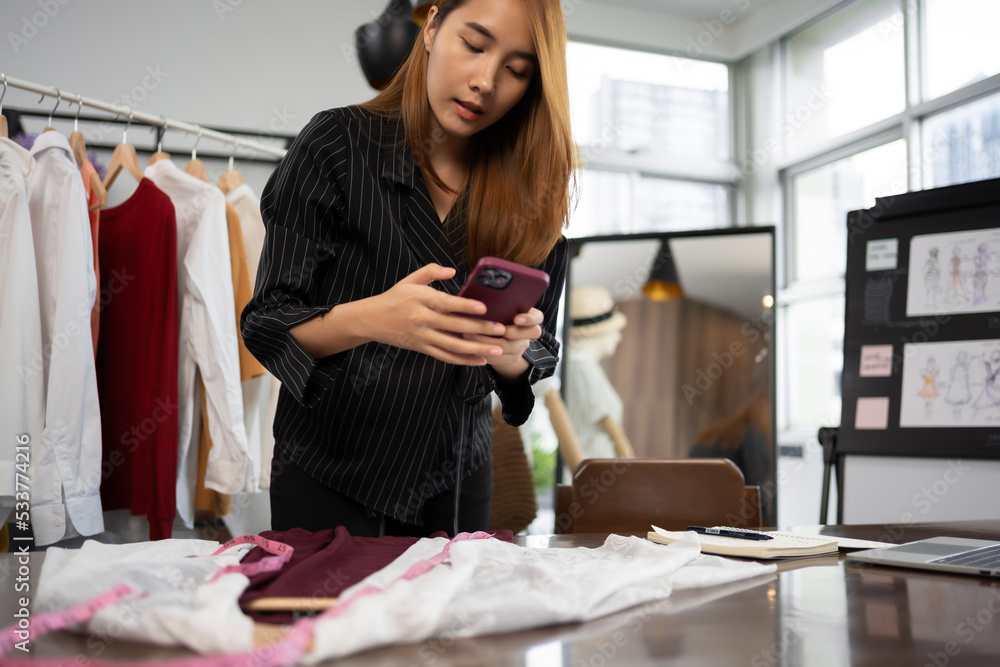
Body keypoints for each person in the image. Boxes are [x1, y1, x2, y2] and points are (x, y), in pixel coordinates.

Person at [241, 0, 576, 537]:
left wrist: (511, 354)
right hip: (329, 472)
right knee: (324, 621)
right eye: (474, 44)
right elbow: (266, 322)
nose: (486, 82)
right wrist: (374, 318)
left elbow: (541, 353)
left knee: (444, 621)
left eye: (516, 71)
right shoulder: (335, 144)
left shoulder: (530, 195)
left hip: (458, 480)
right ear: (434, 25)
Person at [564, 285, 635, 476]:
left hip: (588, 473)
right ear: (599, 332)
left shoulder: (575, 368)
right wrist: (635, 471)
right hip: (596, 475)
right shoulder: (581, 368)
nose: (618, 337)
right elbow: (613, 432)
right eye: (615, 330)